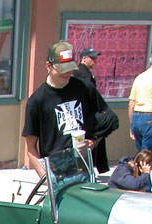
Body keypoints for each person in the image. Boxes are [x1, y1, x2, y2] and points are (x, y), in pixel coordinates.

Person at [22, 40, 97, 178]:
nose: (67, 73)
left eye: (70, 68)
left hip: (83, 167)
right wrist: (45, 177)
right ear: (48, 66)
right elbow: (31, 148)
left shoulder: (82, 88)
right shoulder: (37, 100)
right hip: (56, 169)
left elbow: (96, 119)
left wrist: (92, 140)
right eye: (62, 69)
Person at [72, 46, 117, 174]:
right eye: (92, 58)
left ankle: (89, 169)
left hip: (89, 113)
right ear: (84, 58)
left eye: (96, 58)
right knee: (85, 144)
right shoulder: (80, 73)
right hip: (84, 114)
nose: (95, 61)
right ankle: (84, 170)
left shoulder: (86, 73)